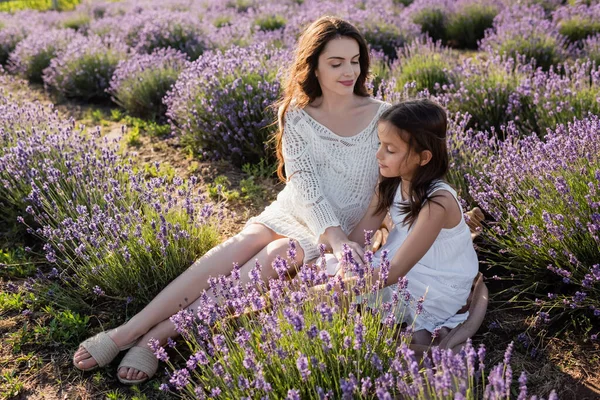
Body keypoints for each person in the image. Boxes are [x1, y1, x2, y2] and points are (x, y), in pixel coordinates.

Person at [73, 16, 392, 384]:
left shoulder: (382, 115)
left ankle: (158, 337)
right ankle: (127, 332)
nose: (348, 71)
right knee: (244, 242)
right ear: (314, 66)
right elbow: (302, 182)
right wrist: (332, 235)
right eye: (336, 63)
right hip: (300, 210)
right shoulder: (298, 114)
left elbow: (389, 188)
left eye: (355, 60)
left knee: (276, 255)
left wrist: (348, 238)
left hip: (345, 228)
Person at [335, 98, 481, 348]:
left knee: (354, 303)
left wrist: (340, 290)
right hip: (399, 262)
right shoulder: (390, 181)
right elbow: (362, 234)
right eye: (380, 144)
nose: (379, 154)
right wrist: (345, 265)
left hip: (433, 280)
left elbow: (396, 271)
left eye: (390, 150)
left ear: (423, 157)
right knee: (329, 271)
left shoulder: (438, 202)